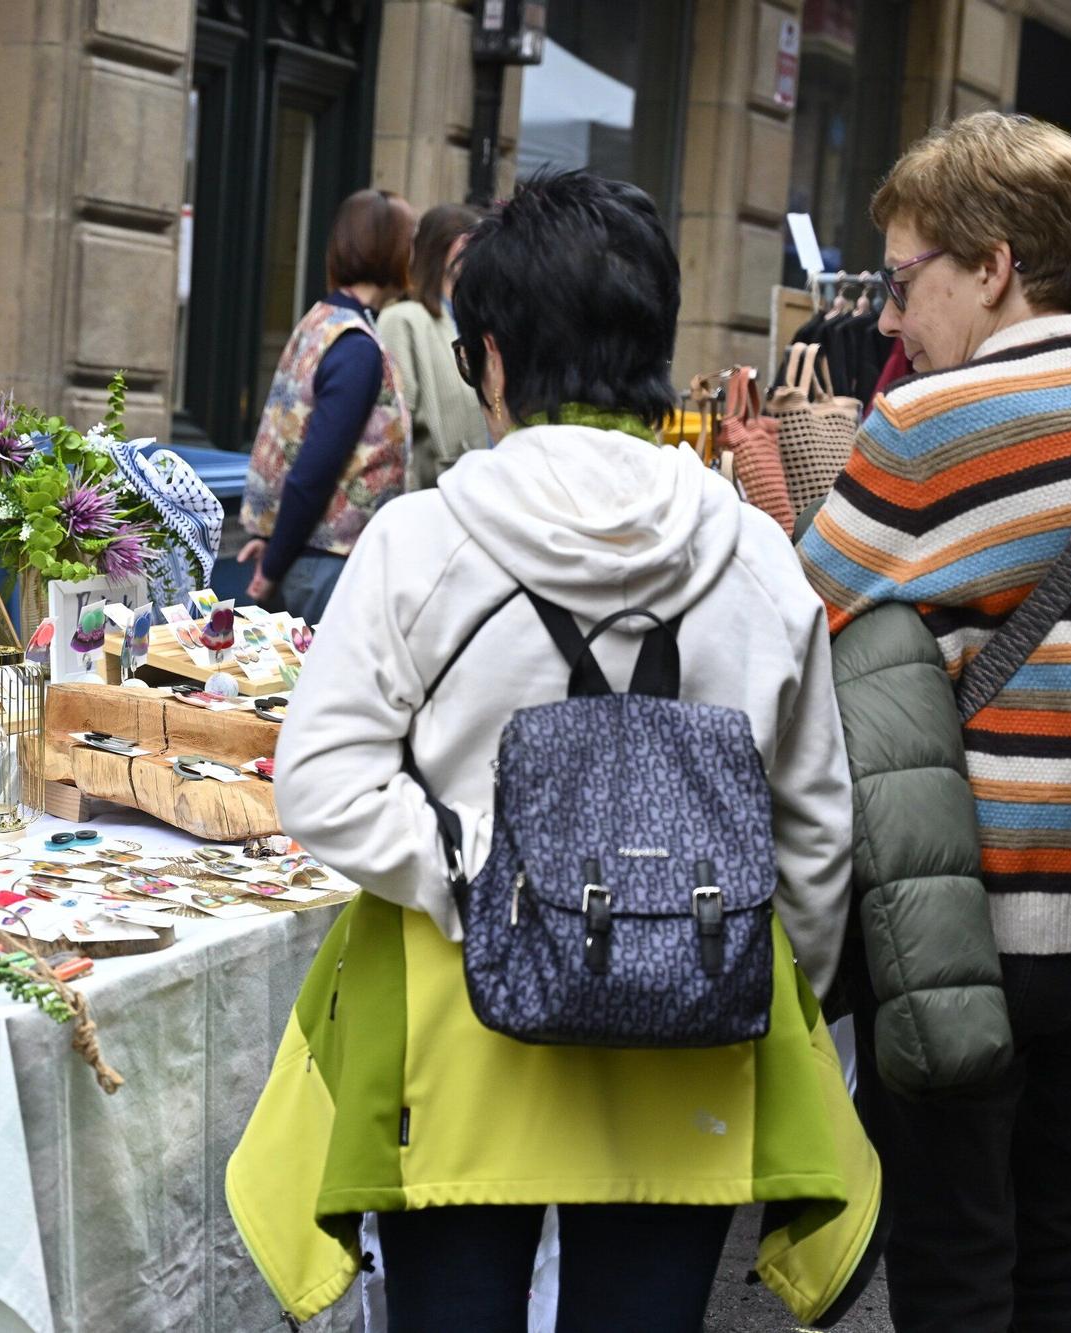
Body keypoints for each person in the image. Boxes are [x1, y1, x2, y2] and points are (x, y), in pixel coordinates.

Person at [227, 172, 869, 1331]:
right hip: (689, 1057)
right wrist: (730, 971)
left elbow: (320, 782)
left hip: (455, 1048)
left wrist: (475, 877)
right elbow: (815, 831)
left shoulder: (418, 542)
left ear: (493, 361)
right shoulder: (760, 558)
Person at [797, 111, 1071, 1333]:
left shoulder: (926, 426)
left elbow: (798, 620)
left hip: (968, 930)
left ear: (990, 265)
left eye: (903, 280)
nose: (888, 318)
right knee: (1059, 1261)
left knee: (951, 1272)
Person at [238, 189, 413, 621]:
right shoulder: (355, 346)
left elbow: (290, 435)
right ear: (387, 249)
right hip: (329, 565)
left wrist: (277, 543)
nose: (416, 254)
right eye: (410, 241)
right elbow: (314, 469)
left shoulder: (323, 321)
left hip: (312, 557)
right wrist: (274, 566)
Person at [377, 202, 489, 490]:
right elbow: (393, 424)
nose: (476, 254)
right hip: (431, 494)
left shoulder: (478, 318)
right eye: (467, 243)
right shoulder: (403, 319)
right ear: (438, 248)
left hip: (482, 485)